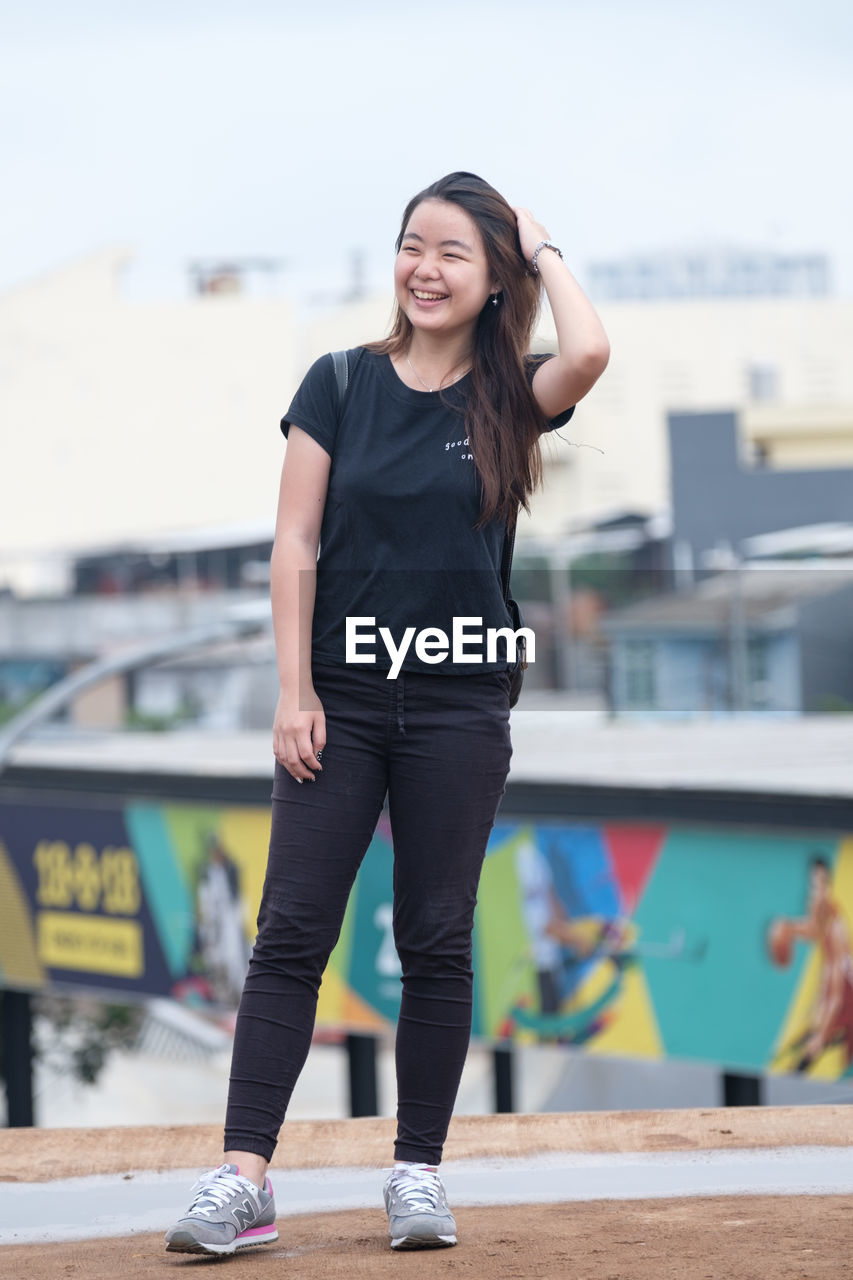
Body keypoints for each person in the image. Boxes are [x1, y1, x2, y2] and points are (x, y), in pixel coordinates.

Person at [164, 171, 609, 1256]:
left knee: (436, 937)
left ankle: (417, 1172)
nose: (426, 266)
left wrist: (543, 248)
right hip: (342, 700)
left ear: (493, 276)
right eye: (414, 244)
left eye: (455, 251)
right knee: (290, 933)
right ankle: (243, 1177)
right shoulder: (338, 384)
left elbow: (589, 352)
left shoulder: (508, 393)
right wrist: (294, 686)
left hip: (459, 702)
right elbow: (295, 542)